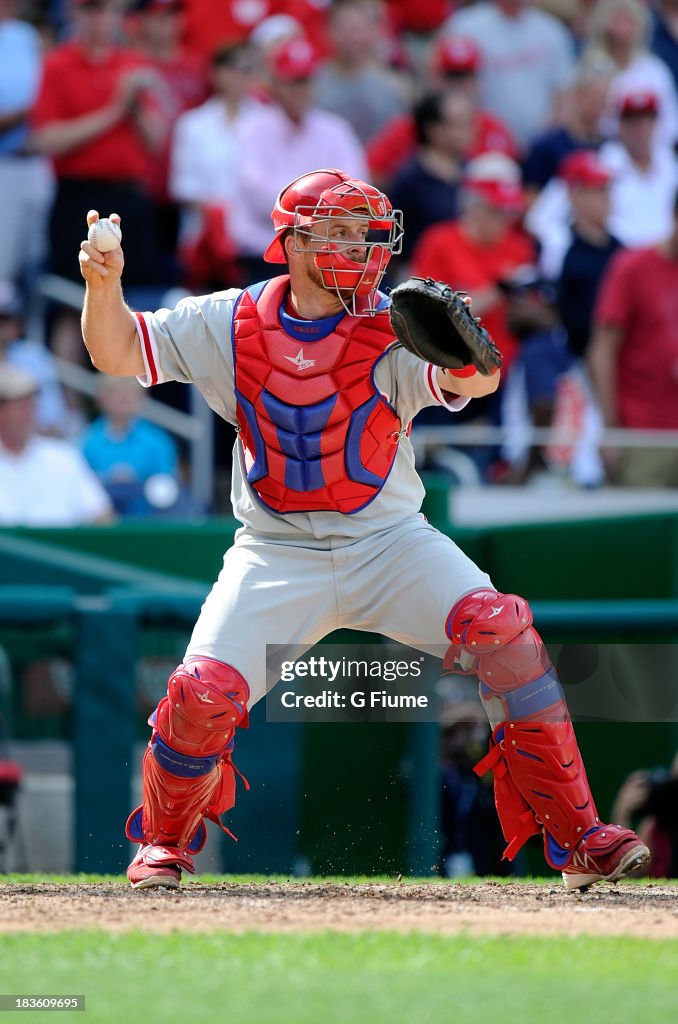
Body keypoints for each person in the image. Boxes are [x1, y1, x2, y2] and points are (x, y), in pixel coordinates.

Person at [79, 167, 649, 891]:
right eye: (340, 233)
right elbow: (117, 351)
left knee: (504, 633)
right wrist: (103, 282)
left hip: (389, 541)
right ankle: (162, 843)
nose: (362, 248)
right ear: (290, 241)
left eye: (367, 233)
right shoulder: (227, 319)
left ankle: (580, 841)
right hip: (276, 549)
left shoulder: (393, 320)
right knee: (200, 693)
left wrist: (472, 355)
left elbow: (478, 384)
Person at [588, 190, 678, 486]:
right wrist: (610, 429)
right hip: (642, 432)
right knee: (643, 526)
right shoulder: (633, 267)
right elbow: (602, 351)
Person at [0, 367, 113, 526]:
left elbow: (101, 515)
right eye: (20, 407)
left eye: (32, 405)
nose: (29, 414)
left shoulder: (64, 457)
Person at [81, 375, 180, 517]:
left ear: (142, 399)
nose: (124, 398)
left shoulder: (158, 441)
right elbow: (79, 487)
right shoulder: (86, 441)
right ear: (101, 399)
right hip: (100, 526)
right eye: (115, 392)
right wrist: (108, 481)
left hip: (150, 523)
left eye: (130, 393)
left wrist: (137, 484)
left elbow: (168, 487)